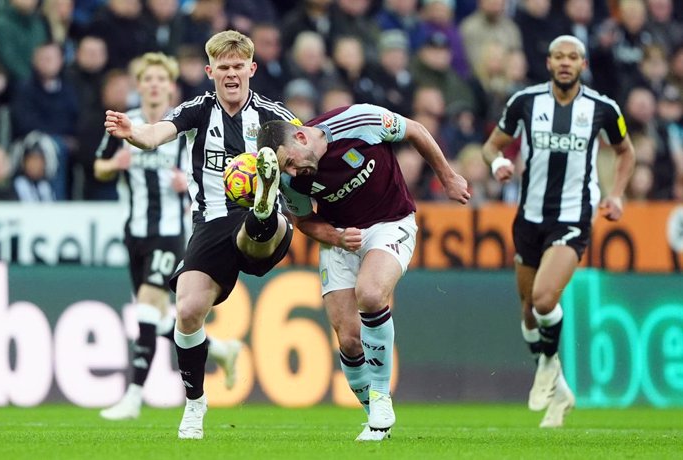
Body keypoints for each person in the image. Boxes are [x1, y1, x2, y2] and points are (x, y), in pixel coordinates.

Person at [104, 30, 298, 440]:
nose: (231, 74)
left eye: (238, 66)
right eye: (223, 68)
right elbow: (156, 134)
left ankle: (262, 205)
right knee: (188, 310)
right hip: (210, 224)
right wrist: (133, 131)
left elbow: (309, 155)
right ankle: (195, 404)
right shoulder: (197, 110)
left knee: (257, 226)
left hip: (267, 227)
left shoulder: (273, 116)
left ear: (252, 68)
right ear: (210, 71)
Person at [256, 104, 470, 441]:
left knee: (370, 294)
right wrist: (336, 236)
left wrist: (447, 176)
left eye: (291, 163)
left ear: (300, 137)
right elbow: (303, 221)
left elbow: (414, 128)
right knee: (349, 339)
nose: (293, 173)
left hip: (391, 222)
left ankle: (382, 397)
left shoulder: (359, 121)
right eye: (286, 169)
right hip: (342, 238)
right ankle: (375, 421)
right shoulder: (289, 179)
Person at [481, 35, 635, 428]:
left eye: (573, 57)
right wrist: (498, 162)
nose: (566, 62)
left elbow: (626, 151)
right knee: (528, 312)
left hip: (573, 216)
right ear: (548, 62)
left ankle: (548, 366)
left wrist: (616, 195)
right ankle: (561, 389)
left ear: (583, 64)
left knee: (544, 299)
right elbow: (490, 146)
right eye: (558, 56)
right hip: (529, 216)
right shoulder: (525, 102)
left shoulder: (602, 108)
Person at [95, 52, 242, 421]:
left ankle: (132, 397)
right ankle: (220, 350)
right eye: (149, 79)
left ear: (170, 86)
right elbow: (97, 167)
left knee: (147, 307)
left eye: (162, 78)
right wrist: (114, 164)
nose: (155, 84)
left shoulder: (185, 124)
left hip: (171, 232)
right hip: (135, 233)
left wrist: (185, 184)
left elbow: (211, 170)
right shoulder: (125, 123)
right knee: (155, 317)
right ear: (140, 85)